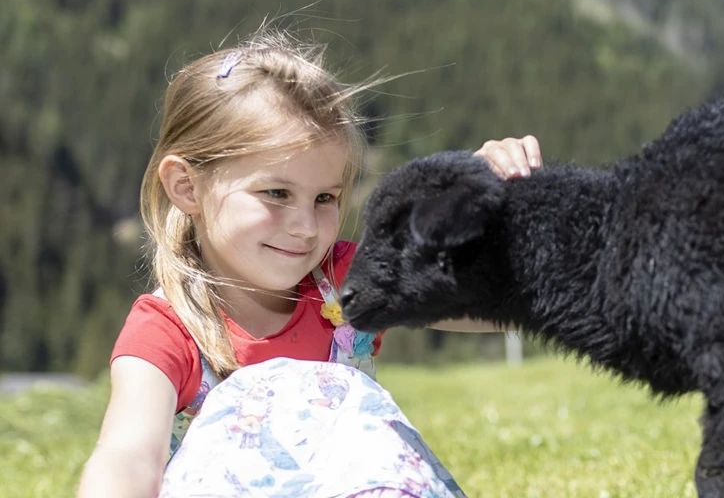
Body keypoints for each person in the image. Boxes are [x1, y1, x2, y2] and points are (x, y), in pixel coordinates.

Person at [76, 31, 542, 498]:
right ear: (186, 186)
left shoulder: (347, 283)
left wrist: (487, 212)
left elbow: (496, 300)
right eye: (276, 193)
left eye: (325, 198)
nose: (304, 225)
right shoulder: (166, 331)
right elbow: (129, 454)